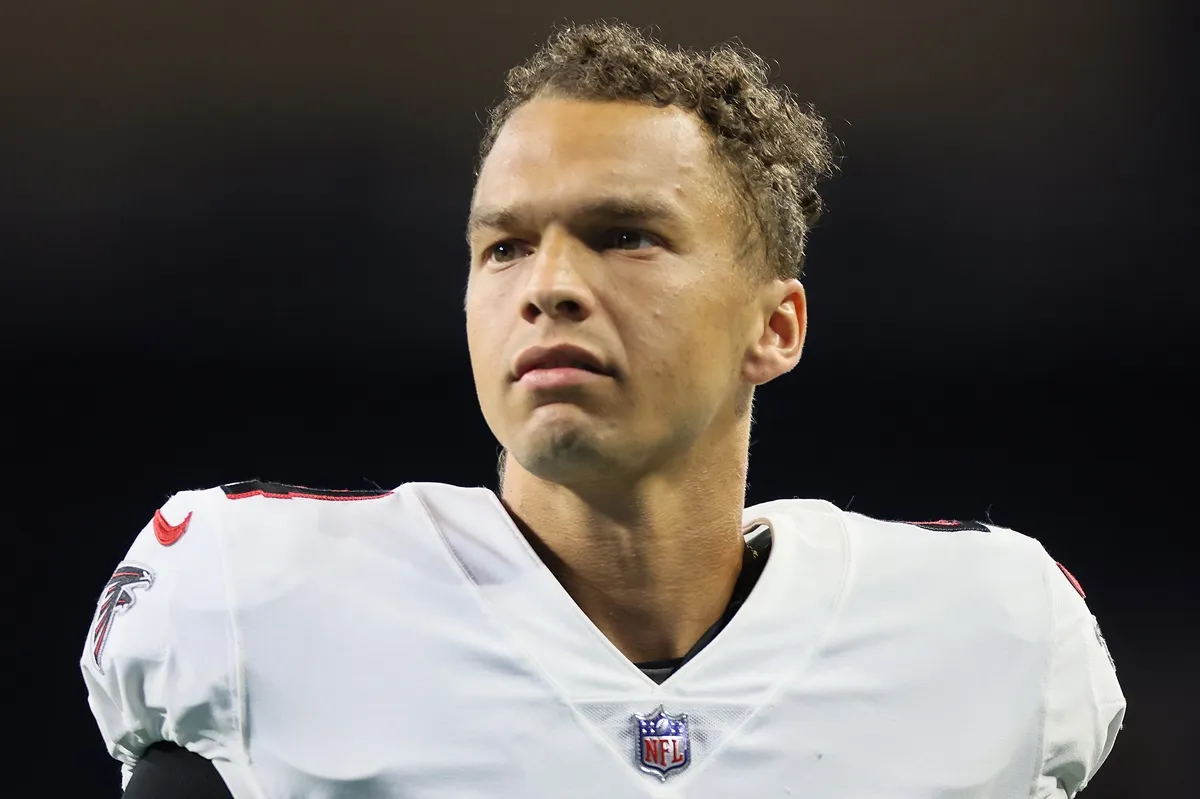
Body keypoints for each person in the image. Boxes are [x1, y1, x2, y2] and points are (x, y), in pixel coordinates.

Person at [82, 20, 1125, 798]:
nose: (548, 285)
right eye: (504, 245)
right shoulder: (253, 598)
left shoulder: (987, 636)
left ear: (778, 327)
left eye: (625, 234)